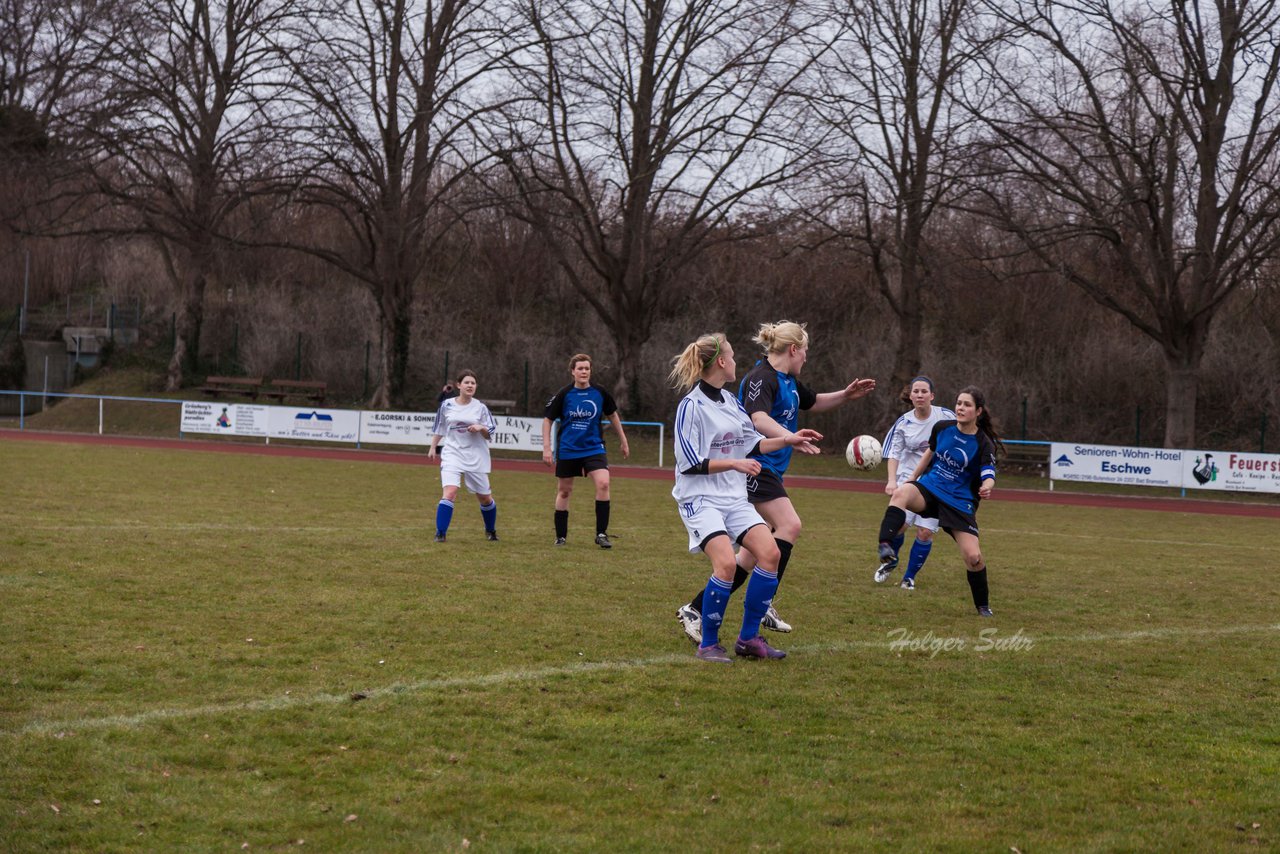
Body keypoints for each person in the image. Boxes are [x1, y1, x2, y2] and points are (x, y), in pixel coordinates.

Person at [675, 321, 876, 644]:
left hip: (755, 469)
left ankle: (706, 609)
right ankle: (758, 607)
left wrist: (841, 399)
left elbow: (804, 407)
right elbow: (756, 421)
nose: (807, 358)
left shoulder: (782, 383)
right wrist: (784, 438)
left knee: (757, 553)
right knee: (787, 527)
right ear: (794, 349)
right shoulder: (759, 379)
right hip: (752, 472)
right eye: (805, 351)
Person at [669, 332, 822, 662]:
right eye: (733, 356)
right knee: (725, 563)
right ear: (721, 362)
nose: (736, 361)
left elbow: (753, 443)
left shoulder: (730, 401)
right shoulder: (691, 406)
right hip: (701, 498)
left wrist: (789, 440)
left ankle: (748, 639)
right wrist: (734, 463)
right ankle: (708, 644)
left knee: (769, 553)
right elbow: (689, 463)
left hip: (733, 498)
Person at [873, 386, 1002, 616]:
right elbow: (929, 454)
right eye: (959, 403)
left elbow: (989, 474)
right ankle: (885, 545)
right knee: (901, 494)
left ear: (978, 411)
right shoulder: (942, 428)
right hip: (930, 489)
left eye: (967, 405)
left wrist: (986, 487)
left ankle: (983, 606)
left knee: (973, 558)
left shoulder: (984, 444)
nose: (961, 408)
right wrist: (912, 479)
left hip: (959, 503)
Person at [874, 376, 956, 589]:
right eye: (916, 391)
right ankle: (891, 560)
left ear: (932, 395)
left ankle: (909, 578)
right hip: (908, 479)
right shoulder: (903, 422)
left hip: (937, 482)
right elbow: (893, 453)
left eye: (924, 391)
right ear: (910, 396)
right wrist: (891, 481)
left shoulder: (946, 416)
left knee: (925, 532)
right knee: (899, 527)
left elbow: (962, 436)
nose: (920, 395)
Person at [542, 353, 630, 547]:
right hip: (568, 449)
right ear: (573, 371)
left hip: (593, 448)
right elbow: (548, 419)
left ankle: (601, 534)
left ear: (590, 371)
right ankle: (561, 536)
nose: (584, 372)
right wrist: (547, 448)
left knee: (603, 483)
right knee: (564, 492)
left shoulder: (599, 392)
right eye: (580, 368)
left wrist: (623, 440)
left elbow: (613, 415)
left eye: (587, 368)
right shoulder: (564, 394)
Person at [427, 370, 499, 543]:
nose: (470, 385)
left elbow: (490, 434)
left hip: (476, 456)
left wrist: (481, 427)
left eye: (473, 383)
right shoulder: (447, 405)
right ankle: (440, 533)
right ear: (459, 385)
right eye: (466, 382)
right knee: (450, 492)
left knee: (485, 498)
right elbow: (440, 428)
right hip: (453, 453)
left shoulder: (480, 408)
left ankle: (490, 530)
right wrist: (432, 447)